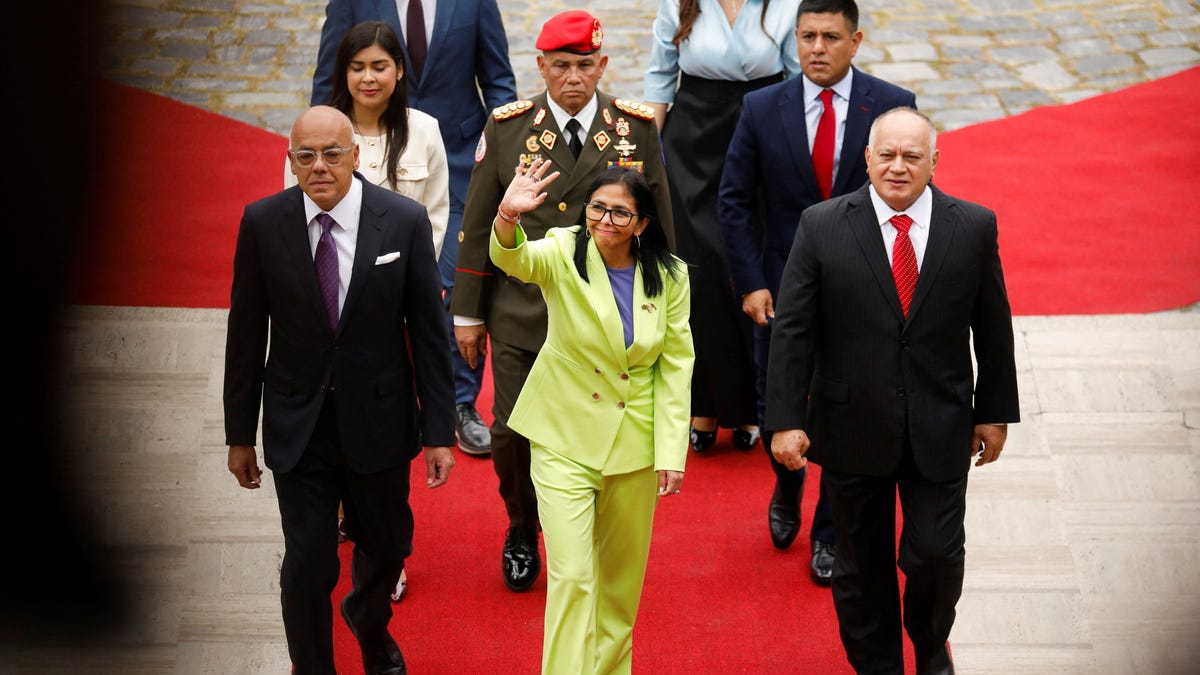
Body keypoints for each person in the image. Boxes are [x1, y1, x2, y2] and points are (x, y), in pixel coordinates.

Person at [765, 107, 1020, 675]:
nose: (898, 167)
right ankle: (877, 666)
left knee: (934, 555)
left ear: (935, 159)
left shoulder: (973, 225)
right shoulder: (823, 225)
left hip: (942, 423)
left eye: (911, 155)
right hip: (852, 425)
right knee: (860, 567)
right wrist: (784, 418)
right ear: (867, 159)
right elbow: (794, 332)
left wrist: (995, 411)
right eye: (887, 155)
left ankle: (931, 648)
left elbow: (993, 325)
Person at [224, 105, 456, 675]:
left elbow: (429, 333)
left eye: (332, 153)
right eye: (306, 155)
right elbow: (246, 335)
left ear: (356, 154)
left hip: (378, 420)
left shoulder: (401, 221)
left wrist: (438, 432)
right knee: (307, 562)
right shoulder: (263, 222)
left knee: (386, 547)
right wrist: (238, 435)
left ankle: (369, 626)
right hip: (297, 422)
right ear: (291, 160)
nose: (320, 166)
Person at [452, 9, 675, 593]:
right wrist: (469, 312)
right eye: (560, 66)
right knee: (509, 432)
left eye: (584, 66)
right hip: (524, 311)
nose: (573, 78)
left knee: (596, 426)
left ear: (602, 66)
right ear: (541, 67)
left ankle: (586, 531)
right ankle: (522, 526)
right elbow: (478, 224)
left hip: (608, 318)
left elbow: (661, 228)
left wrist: (666, 307)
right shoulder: (508, 128)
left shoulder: (635, 130)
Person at [718, 0, 916, 585]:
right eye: (807, 36)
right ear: (795, 39)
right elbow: (733, 201)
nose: (817, 49)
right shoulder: (760, 107)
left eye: (831, 37)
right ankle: (787, 486)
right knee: (775, 393)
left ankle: (829, 532)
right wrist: (750, 281)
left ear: (856, 42)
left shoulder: (893, 105)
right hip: (779, 289)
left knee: (846, 409)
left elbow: (908, 196)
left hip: (863, 291)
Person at [490, 160, 693, 673]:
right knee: (574, 578)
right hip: (563, 438)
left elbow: (675, 365)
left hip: (635, 445)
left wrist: (671, 450)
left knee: (619, 592)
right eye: (597, 208)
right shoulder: (562, 249)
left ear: (643, 223)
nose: (605, 220)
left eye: (620, 213)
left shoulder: (671, 275)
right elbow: (516, 261)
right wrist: (507, 218)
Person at [312, 0, 520, 456]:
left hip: (465, 161)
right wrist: (321, 153)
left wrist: (504, 153)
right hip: (377, 161)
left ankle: (461, 403)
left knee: (458, 279)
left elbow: (498, 78)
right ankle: (385, 397)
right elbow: (328, 79)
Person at [296, 19, 450, 605]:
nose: (368, 77)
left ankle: (383, 543)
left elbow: (434, 215)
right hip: (328, 307)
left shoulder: (425, 132)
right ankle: (339, 513)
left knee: (385, 422)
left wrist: (397, 284)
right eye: (357, 66)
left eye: (379, 66)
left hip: (395, 304)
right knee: (330, 410)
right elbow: (293, 215)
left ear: (400, 71)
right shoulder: (319, 129)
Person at [644, 0, 802, 453]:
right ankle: (704, 403)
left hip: (762, 130)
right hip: (692, 141)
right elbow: (659, 77)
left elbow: (796, 77)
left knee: (749, 266)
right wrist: (651, 158)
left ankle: (753, 405)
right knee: (700, 275)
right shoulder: (679, 3)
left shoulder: (788, 4)